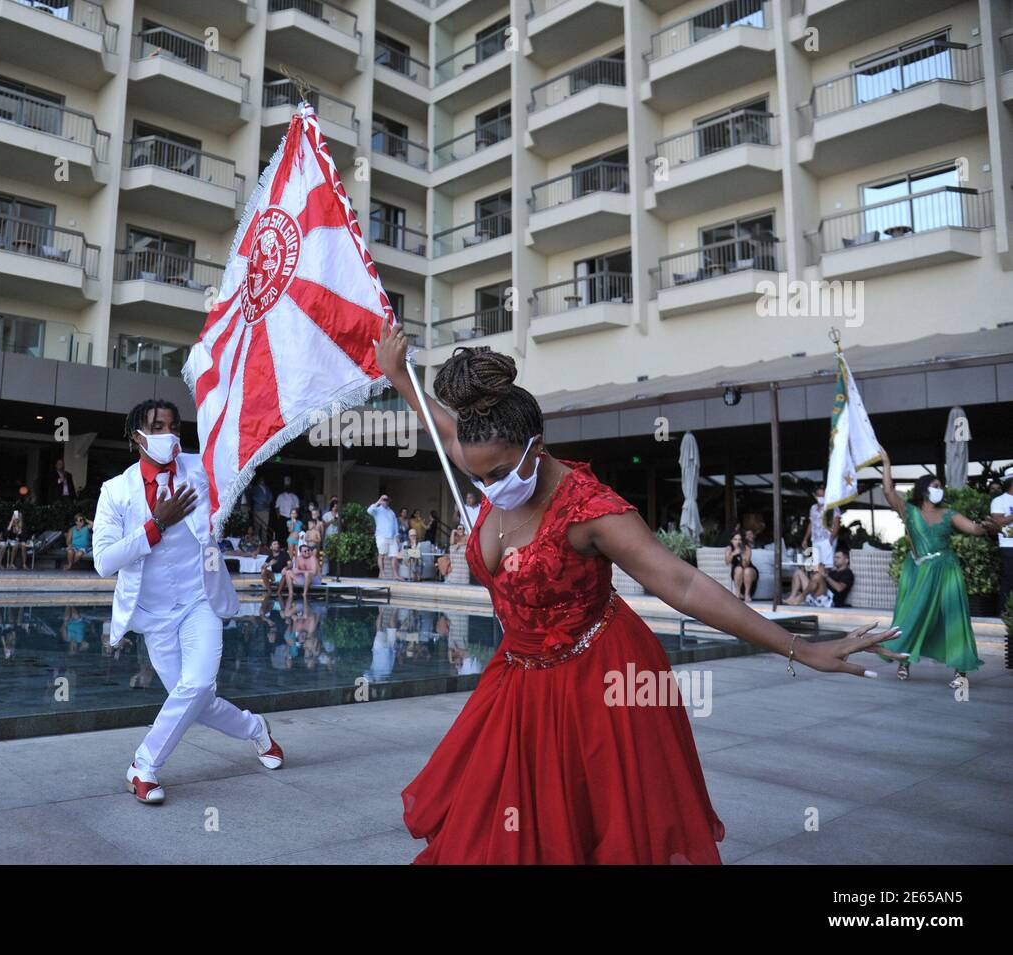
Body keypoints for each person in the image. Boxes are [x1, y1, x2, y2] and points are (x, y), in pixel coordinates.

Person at [373, 331, 901, 864]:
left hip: (596, 683)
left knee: (593, 828)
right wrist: (400, 377)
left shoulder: (592, 510)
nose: (488, 485)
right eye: (479, 474)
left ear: (536, 446)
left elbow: (683, 583)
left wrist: (798, 647)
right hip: (520, 679)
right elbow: (448, 435)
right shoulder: (493, 464)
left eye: (499, 473)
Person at [92, 398, 284, 806]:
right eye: (158, 427)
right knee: (196, 701)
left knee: (196, 685)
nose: (169, 435)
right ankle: (256, 729)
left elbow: (241, 443)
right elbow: (104, 562)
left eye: (174, 426)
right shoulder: (115, 491)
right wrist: (156, 524)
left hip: (201, 600)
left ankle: (143, 767)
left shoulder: (201, 467)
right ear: (136, 436)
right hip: (154, 614)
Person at [876, 448, 992, 687]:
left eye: (941, 486)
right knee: (911, 616)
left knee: (954, 616)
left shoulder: (948, 513)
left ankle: (961, 672)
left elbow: (973, 528)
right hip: (918, 571)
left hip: (947, 569)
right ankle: (903, 661)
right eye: (936, 485)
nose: (940, 489)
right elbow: (888, 491)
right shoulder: (909, 511)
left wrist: (988, 526)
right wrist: (887, 461)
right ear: (925, 488)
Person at [786, 547, 855, 608]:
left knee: (818, 576)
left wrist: (825, 575)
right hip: (818, 595)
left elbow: (839, 588)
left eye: (838, 557)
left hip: (830, 601)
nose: (835, 559)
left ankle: (801, 598)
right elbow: (816, 582)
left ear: (846, 560)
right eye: (834, 557)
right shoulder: (833, 572)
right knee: (798, 572)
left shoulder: (848, 573)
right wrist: (818, 571)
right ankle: (792, 598)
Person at [988, 467, 1013, 612]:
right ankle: (1003, 612)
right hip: (1009, 545)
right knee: (1009, 578)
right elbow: (997, 523)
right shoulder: (999, 501)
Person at [802, 483, 840, 574]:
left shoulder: (832, 507)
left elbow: (837, 524)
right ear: (815, 496)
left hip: (827, 539)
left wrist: (831, 540)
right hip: (815, 540)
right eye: (819, 495)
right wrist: (805, 539)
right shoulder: (813, 508)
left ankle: (828, 587)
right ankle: (818, 586)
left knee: (827, 567)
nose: (821, 497)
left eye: (823, 495)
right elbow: (811, 523)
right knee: (816, 567)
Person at [368, 493, 401, 579]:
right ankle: (381, 573)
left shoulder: (391, 511)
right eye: (384, 499)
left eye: (387, 500)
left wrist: (397, 535)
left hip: (392, 537)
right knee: (381, 555)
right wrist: (378, 501)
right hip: (381, 536)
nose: (386, 501)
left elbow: (395, 524)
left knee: (394, 555)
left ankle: (395, 575)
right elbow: (369, 511)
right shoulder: (377, 510)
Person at [723, 530, 756, 601]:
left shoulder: (746, 548)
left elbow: (746, 565)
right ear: (731, 541)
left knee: (746, 570)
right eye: (735, 539)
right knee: (739, 569)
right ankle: (737, 594)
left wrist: (743, 555)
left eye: (739, 539)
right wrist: (734, 553)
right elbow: (727, 562)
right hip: (737, 571)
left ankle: (747, 594)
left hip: (749, 569)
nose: (737, 541)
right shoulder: (729, 549)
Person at [274, 477, 299, 544]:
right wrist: (278, 516)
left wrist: (295, 517)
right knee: (281, 533)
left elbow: (297, 508)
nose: (288, 488)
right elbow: (277, 507)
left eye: (289, 486)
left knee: (291, 533)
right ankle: (281, 546)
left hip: (292, 518)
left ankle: (288, 547)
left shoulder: (295, 497)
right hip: (282, 517)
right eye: (286, 486)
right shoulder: (280, 496)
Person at [250, 476, 274, 542]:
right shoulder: (255, 488)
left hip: (266, 510)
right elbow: (254, 497)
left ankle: (264, 542)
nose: (262, 481)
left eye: (263, 479)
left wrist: (268, 502)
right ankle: (256, 542)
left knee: (265, 527)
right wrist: (262, 503)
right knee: (257, 527)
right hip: (258, 509)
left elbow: (271, 496)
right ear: (258, 480)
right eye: (261, 479)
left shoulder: (267, 488)